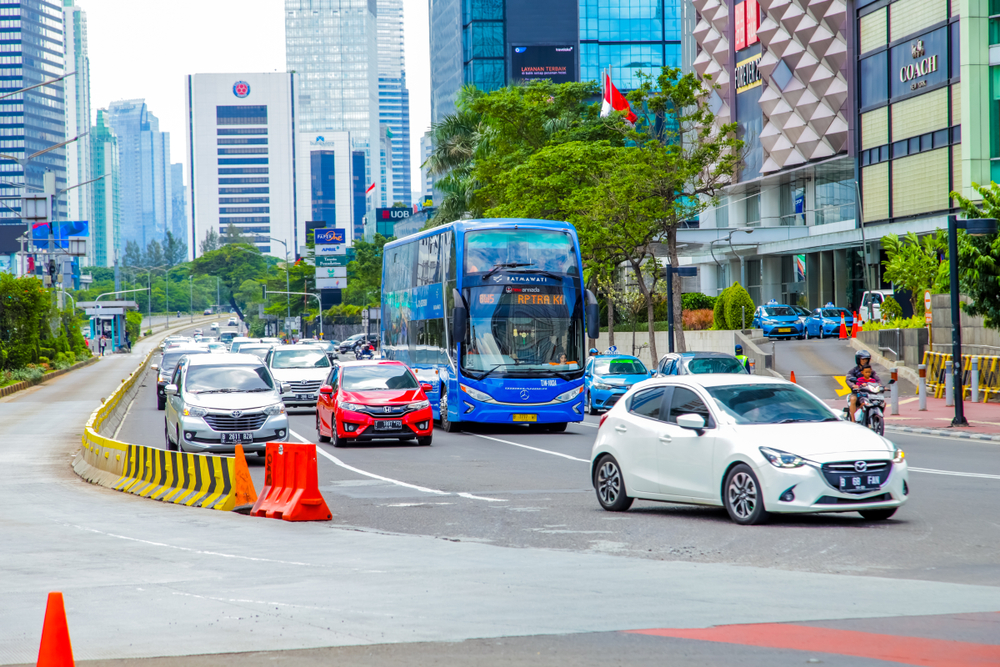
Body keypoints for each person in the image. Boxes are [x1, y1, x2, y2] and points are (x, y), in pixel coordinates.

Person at [847, 350, 881, 419]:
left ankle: (876, 417)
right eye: (863, 359)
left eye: (866, 359)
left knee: (882, 402)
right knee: (853, 399)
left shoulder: (870, 371)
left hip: (870, 393)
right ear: (858, 360)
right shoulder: (853, 371)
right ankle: (853, 421)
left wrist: (880, 385)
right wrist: (853, 385)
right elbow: (848, 379)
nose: (864, 361)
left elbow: (877, 379)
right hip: (858, 393)